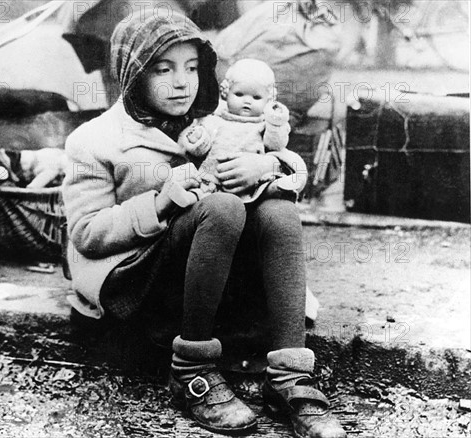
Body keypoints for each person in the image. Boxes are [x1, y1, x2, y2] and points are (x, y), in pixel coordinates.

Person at [62, 12, 346, 438]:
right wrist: (159, 202)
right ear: (131, 73)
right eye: (163, 69)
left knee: (278, 208)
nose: (182, 82)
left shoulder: (217, 117)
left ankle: (289, 374)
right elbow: (86, 234)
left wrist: (266, 162)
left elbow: (278, 155)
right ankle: (190, 368)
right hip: (141, 283)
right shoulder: (95, 139)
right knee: (224, 208)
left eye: (192, 68)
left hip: (210, 277)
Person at [169, 57, 299, 206]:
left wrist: (276, 123)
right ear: (226, 93)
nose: (247, 101)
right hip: (213, 179)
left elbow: (276, 145)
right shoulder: (214, 119)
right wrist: (197, 139)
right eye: (239, 94)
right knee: (201, 194)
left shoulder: (265, 125)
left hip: (250, 184)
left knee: (265, 200)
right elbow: (200, 151)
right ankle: (185, 199)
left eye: (256, 97)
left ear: (268, 100)